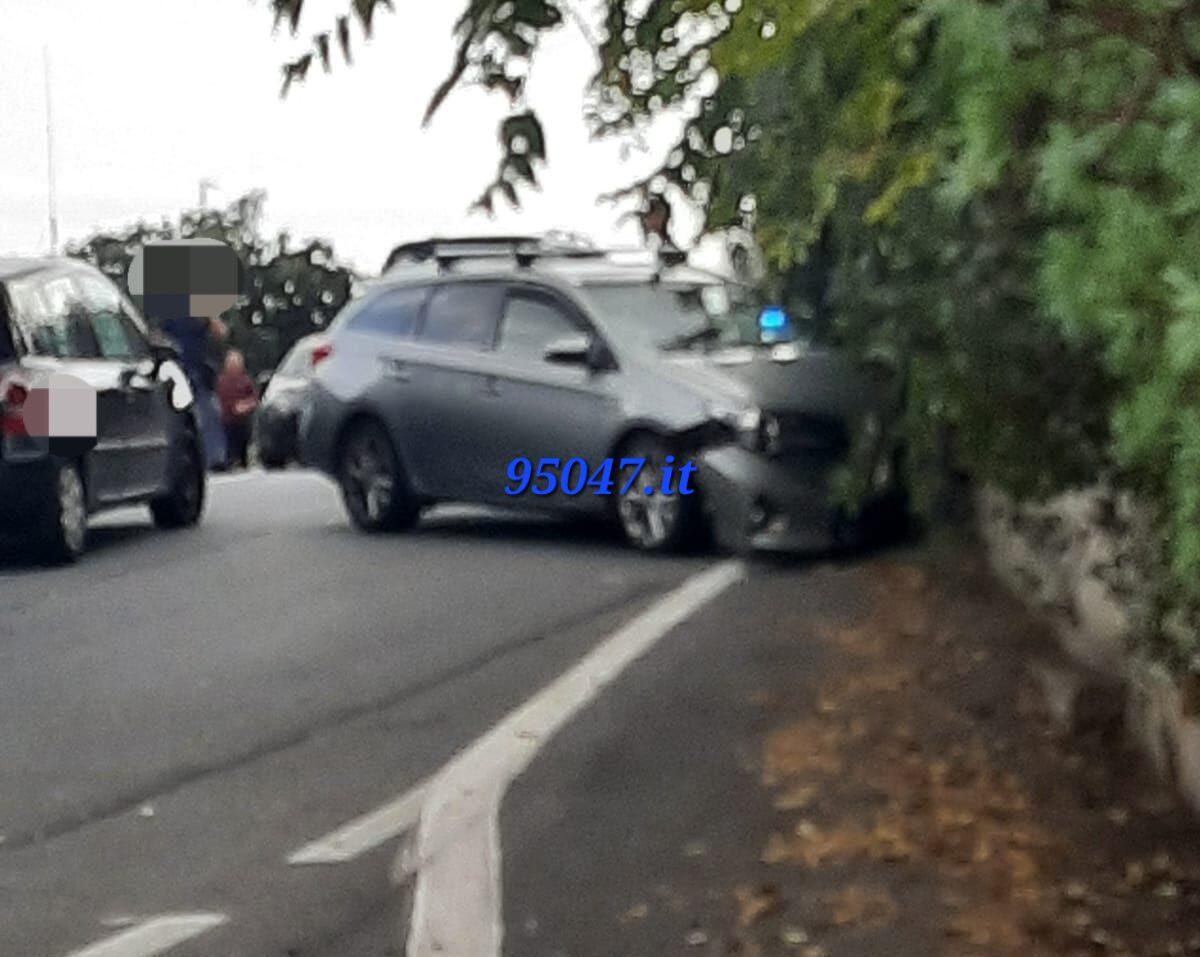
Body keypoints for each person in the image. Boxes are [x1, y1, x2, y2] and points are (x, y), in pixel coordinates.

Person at [215, 349, 258, 470]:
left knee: (242, 442)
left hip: (241, 421)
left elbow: (254, 399)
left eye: (236, 364)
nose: (233, 367)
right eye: (231, 364)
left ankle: (242, 461)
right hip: (225, 422)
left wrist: (245, 405)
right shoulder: (220, 381)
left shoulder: (245, 381)